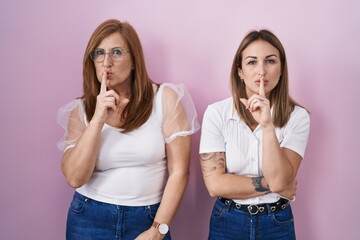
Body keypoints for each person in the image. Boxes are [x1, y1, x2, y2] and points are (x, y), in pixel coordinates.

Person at [57, 19, 199, 240]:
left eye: (116, 52)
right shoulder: (82, 109)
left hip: (147, 217)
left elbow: (179, 172)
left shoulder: (165, 99)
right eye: (99, 53)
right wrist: (97, 120)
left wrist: (158, 230)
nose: (107, 62)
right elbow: (75, 178)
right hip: (89, 218)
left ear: (134, 60)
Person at [199, 29, 310, 239]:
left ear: (281, 69)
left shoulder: (298, 116)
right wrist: (273, 185)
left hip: (277, 222)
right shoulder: (217, 113)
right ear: (239, 71)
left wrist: (267, 126)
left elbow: (280, 181)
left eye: (270, 61)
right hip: (228, 219)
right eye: (252, 62)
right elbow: (215, 185)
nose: (261, 71)